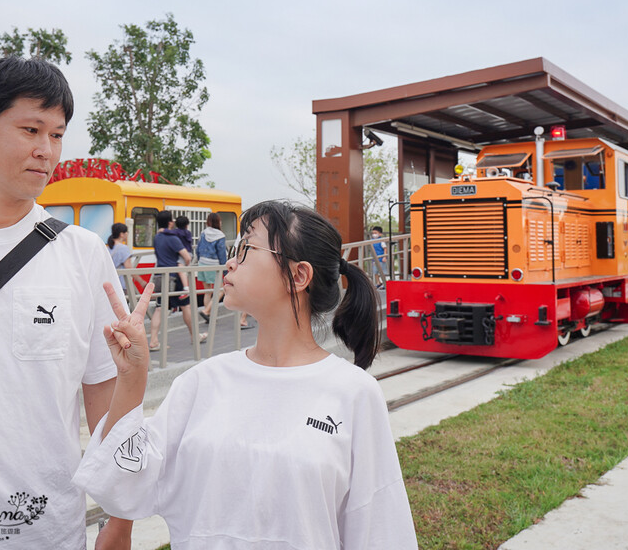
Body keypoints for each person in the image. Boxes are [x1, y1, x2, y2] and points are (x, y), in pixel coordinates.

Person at [74, 200, 418, 548]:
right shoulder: (202, 382)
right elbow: (122, 486)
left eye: (247, 248)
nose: (231, 261)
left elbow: (381, 530)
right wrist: (132, 378)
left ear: (298, 276)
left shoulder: (354, 392)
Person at [0, 56, 133, 548]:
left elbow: (106, 399)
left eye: (57, 134)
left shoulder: (84, 254)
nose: (46, 151)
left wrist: (121, 517)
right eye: (30, 129)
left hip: (53, 533)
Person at [147, 210, 204, 350]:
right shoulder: (172, 237)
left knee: (159, 309)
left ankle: (153, 341)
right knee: (186, 306)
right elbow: (187, 257)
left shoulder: (157, 237)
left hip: (161, 276)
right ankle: (194, 336)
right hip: (175, 277)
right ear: (170, 222)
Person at [195, 212, 226, 322]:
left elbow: (197, 250)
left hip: (202, 263)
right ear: (218, 222)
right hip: (214, 265)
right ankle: (207, 311)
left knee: (207, 291)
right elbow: (222, 254)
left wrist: (200, 260)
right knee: (221, 289)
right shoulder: (220, 235)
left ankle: (208, 316)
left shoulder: (203, 233)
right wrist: (225, 269)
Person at [108, 222, 147, 293]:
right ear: (121, 234)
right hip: (121, 285)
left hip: (111, 283)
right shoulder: (123, 248)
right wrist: (141, 281)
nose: (127, 234)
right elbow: (129, 268)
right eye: (126, 232)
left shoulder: (109, 248)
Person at [168, 214, 193, 293]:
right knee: (185, 271)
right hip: (190, 253)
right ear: (187, 225)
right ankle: (188, 286)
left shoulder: (175, 232)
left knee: (180, 268)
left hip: (183, 254)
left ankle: (186, 287)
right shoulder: (188, 233)